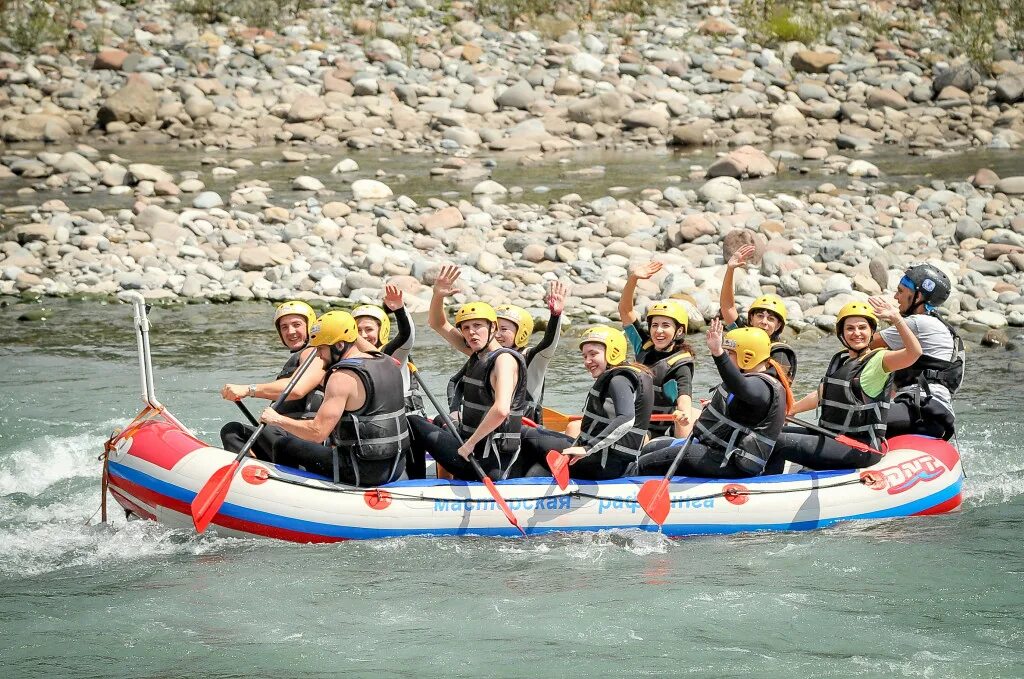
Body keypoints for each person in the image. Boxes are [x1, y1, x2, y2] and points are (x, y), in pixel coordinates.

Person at [770, 298, 922, 471]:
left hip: (860, 446)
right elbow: (821, 394)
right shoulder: (841, 360)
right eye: (850, 328)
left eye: (862, 327)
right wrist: (790, 411)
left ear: (871, 331)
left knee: (777, 442)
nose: (856, 333)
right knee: (769, 433)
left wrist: (897, 320)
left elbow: (914, 353)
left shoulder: (881, 360)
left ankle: (764, 486)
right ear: (841, 333)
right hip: (831, 436)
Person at [259, 310, 409, 487]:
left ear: (339, 346)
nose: (319, 355)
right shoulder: (387, 361)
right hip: (396, 464)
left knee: (284, 445)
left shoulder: (341, 377)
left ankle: (289, 494)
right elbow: (354, 339)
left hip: (361, 471)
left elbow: (317, 433)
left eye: (321, 348)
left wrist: (277, 419)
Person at [409, 265, 528, 481]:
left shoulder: (504, 361)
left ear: (492, 328)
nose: (471, 332)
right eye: (466, 328)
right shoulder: (476, 352)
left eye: (477, 326)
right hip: (474, 448)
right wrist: (437, 295)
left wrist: (469, 444)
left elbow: (501, 410)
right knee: (438, 420)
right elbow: (437, 323)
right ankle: (443, 480)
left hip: (485, 461)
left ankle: (413, 482)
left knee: (413, 422)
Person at [636, 322, 793, 479]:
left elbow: (741, 386)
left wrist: (718, 354)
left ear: (747, 357)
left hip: (732, 461)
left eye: (730, 352)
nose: (726, 354)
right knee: (649, 448)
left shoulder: (762, 386)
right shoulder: (754, 380)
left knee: (644, 463)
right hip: (718, 450)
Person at [520, 326, 654, 480]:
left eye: (593, 354)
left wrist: (588, 448)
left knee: (524, 433)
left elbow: (626, 419)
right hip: (611, 461)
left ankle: (511, 484)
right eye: (584, 356)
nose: (587, 361)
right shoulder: (627, 375)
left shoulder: (619, 380)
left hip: (602, 464)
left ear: (613, 352)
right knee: (540, 434)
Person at [447, 281, 569, 426]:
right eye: (495, 328)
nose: (497, 334)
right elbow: (456, 383)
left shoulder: (532, 358)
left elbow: (548, 343)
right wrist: (454, 410)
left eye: (504, 329)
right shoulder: (483, 352)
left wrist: (555, 316)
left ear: (521, 332)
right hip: (486, 425)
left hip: (521, 431)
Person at [219, 300, 326, 461]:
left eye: (296, 324)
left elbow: (297, 389)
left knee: (268, 430)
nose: (290, 331)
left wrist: (249, 390)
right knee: (232, 432)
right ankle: (251, 473)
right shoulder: (298, 357)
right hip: (283, 433)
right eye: (284, 327)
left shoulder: (315, 354)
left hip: (303, 438)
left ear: (310, 326)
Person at [869, 264, 964, 440]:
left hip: (920, 411)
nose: (896, 297)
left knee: (854, 418)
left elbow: (866, 343)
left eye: (901, 291)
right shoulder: (940, 325)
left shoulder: (918, 323)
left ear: (918, 296)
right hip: (933, 412)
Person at [618, 261, 697, 439]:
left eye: (665, 326)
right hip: (636, 421)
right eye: (655, 325)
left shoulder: (681, 364)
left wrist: (684, 413)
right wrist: (633, 279)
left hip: (664, 427)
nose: (658, 331)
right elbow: (625, 310)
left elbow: (684, 396)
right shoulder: (643, 345)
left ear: (679, 331)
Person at [719, 244, 797, 382]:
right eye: (760, 316)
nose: (764, 322)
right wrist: (730, 270)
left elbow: (775, 386)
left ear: (778, 326)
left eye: (771, 319)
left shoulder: (779, 352)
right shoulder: (742, 334)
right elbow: (727, 307)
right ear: (751, 319)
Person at [352, 284, 426, 417]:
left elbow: (406, 336)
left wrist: (400, 310)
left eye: (369, 329)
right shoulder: (349, 357)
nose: (363, 335)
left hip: (407, 421)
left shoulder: (392, 353)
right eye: (357, 330)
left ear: (382, 330)